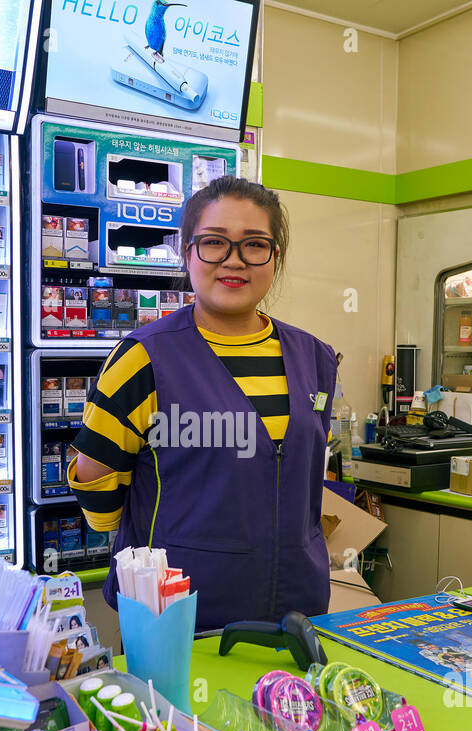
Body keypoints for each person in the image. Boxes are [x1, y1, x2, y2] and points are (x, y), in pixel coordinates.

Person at [70, 176, 336, 631]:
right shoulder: (143, 358)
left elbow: (302, 471)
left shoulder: (316, 357)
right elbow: (96, 481)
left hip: (297, 609)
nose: (234, 261)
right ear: (187, 252)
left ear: (276, 256)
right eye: (214, 243)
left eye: (255, 245)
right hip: (179, 616)